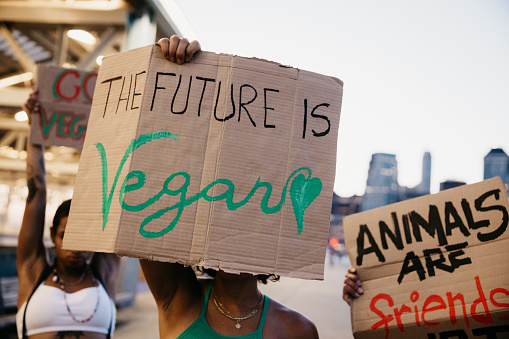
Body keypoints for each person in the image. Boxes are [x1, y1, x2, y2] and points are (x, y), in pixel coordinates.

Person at [139, 35, 319, 339]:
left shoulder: (297, 330)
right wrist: (174, 70)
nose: (235, 231)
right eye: (225, 218)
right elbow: (149, 196)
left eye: (249, 221)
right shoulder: (178, 298)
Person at [16, 90, 120, 338]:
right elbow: (37, 189)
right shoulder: (33, 270)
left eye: (84, 239)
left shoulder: (104, 271)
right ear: (52, 235)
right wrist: (36, 131)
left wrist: (116, 124)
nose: (76, 247)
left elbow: (113, 192)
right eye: (66, 236)